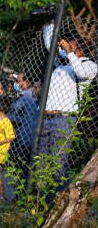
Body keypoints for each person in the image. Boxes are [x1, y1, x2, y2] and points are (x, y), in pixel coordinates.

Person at [37, 30, 98, 186]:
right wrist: (49, 24)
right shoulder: (63, 64)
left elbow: (82, 73)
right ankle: (40, 203)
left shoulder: (90, 66)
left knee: (58, 163)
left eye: (71, 45)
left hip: (64, 119)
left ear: (80, 49)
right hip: (45, 117)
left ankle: (58, 203)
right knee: (41, 163)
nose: (66, 47)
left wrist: (70, 53)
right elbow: (51, 46)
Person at [8, 72, 38, 167]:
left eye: (18, 81)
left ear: (27, 82)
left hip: (23, 136)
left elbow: (14, 112)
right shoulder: (27, 95)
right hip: (28, 135)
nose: (16, 84)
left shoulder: (26, 97)